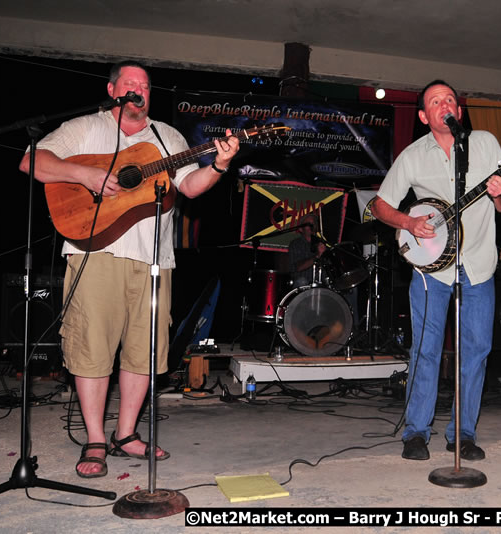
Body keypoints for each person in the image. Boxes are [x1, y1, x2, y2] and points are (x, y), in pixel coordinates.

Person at [18, 61, 240, 478]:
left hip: (155, 259)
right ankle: (95, 440)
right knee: (92, 351)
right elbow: (31, 161)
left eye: (146, 85)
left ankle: (126, 434)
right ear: (113, 89)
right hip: (95, 253)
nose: (140, 90)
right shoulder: (86, 128)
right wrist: (85, 173)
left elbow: (190, 186)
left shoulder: (168, 137)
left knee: (144, 351)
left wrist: (220, 164)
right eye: (131, 84)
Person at [372, 80, 501, 461]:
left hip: (479, 264)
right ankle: (416, 433)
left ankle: (463, 433)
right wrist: (407, 222)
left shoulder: (484, 143)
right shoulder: (413, 155)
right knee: (426, 348)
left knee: (477, 350)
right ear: (423, 116)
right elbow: (379, 205)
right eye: (436, 101)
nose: (444, 104)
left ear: (459, 111)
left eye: (450, 99)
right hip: (431, 270)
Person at [288, 213, 327, 287]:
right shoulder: (296, 244)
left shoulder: (322, 244)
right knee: (302, 281)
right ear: (300, 229)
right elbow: (298, 267)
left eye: (314, 223)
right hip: (303, 283)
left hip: (322, 284)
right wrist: (317, 256)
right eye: (308, 224)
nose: (312, 226)